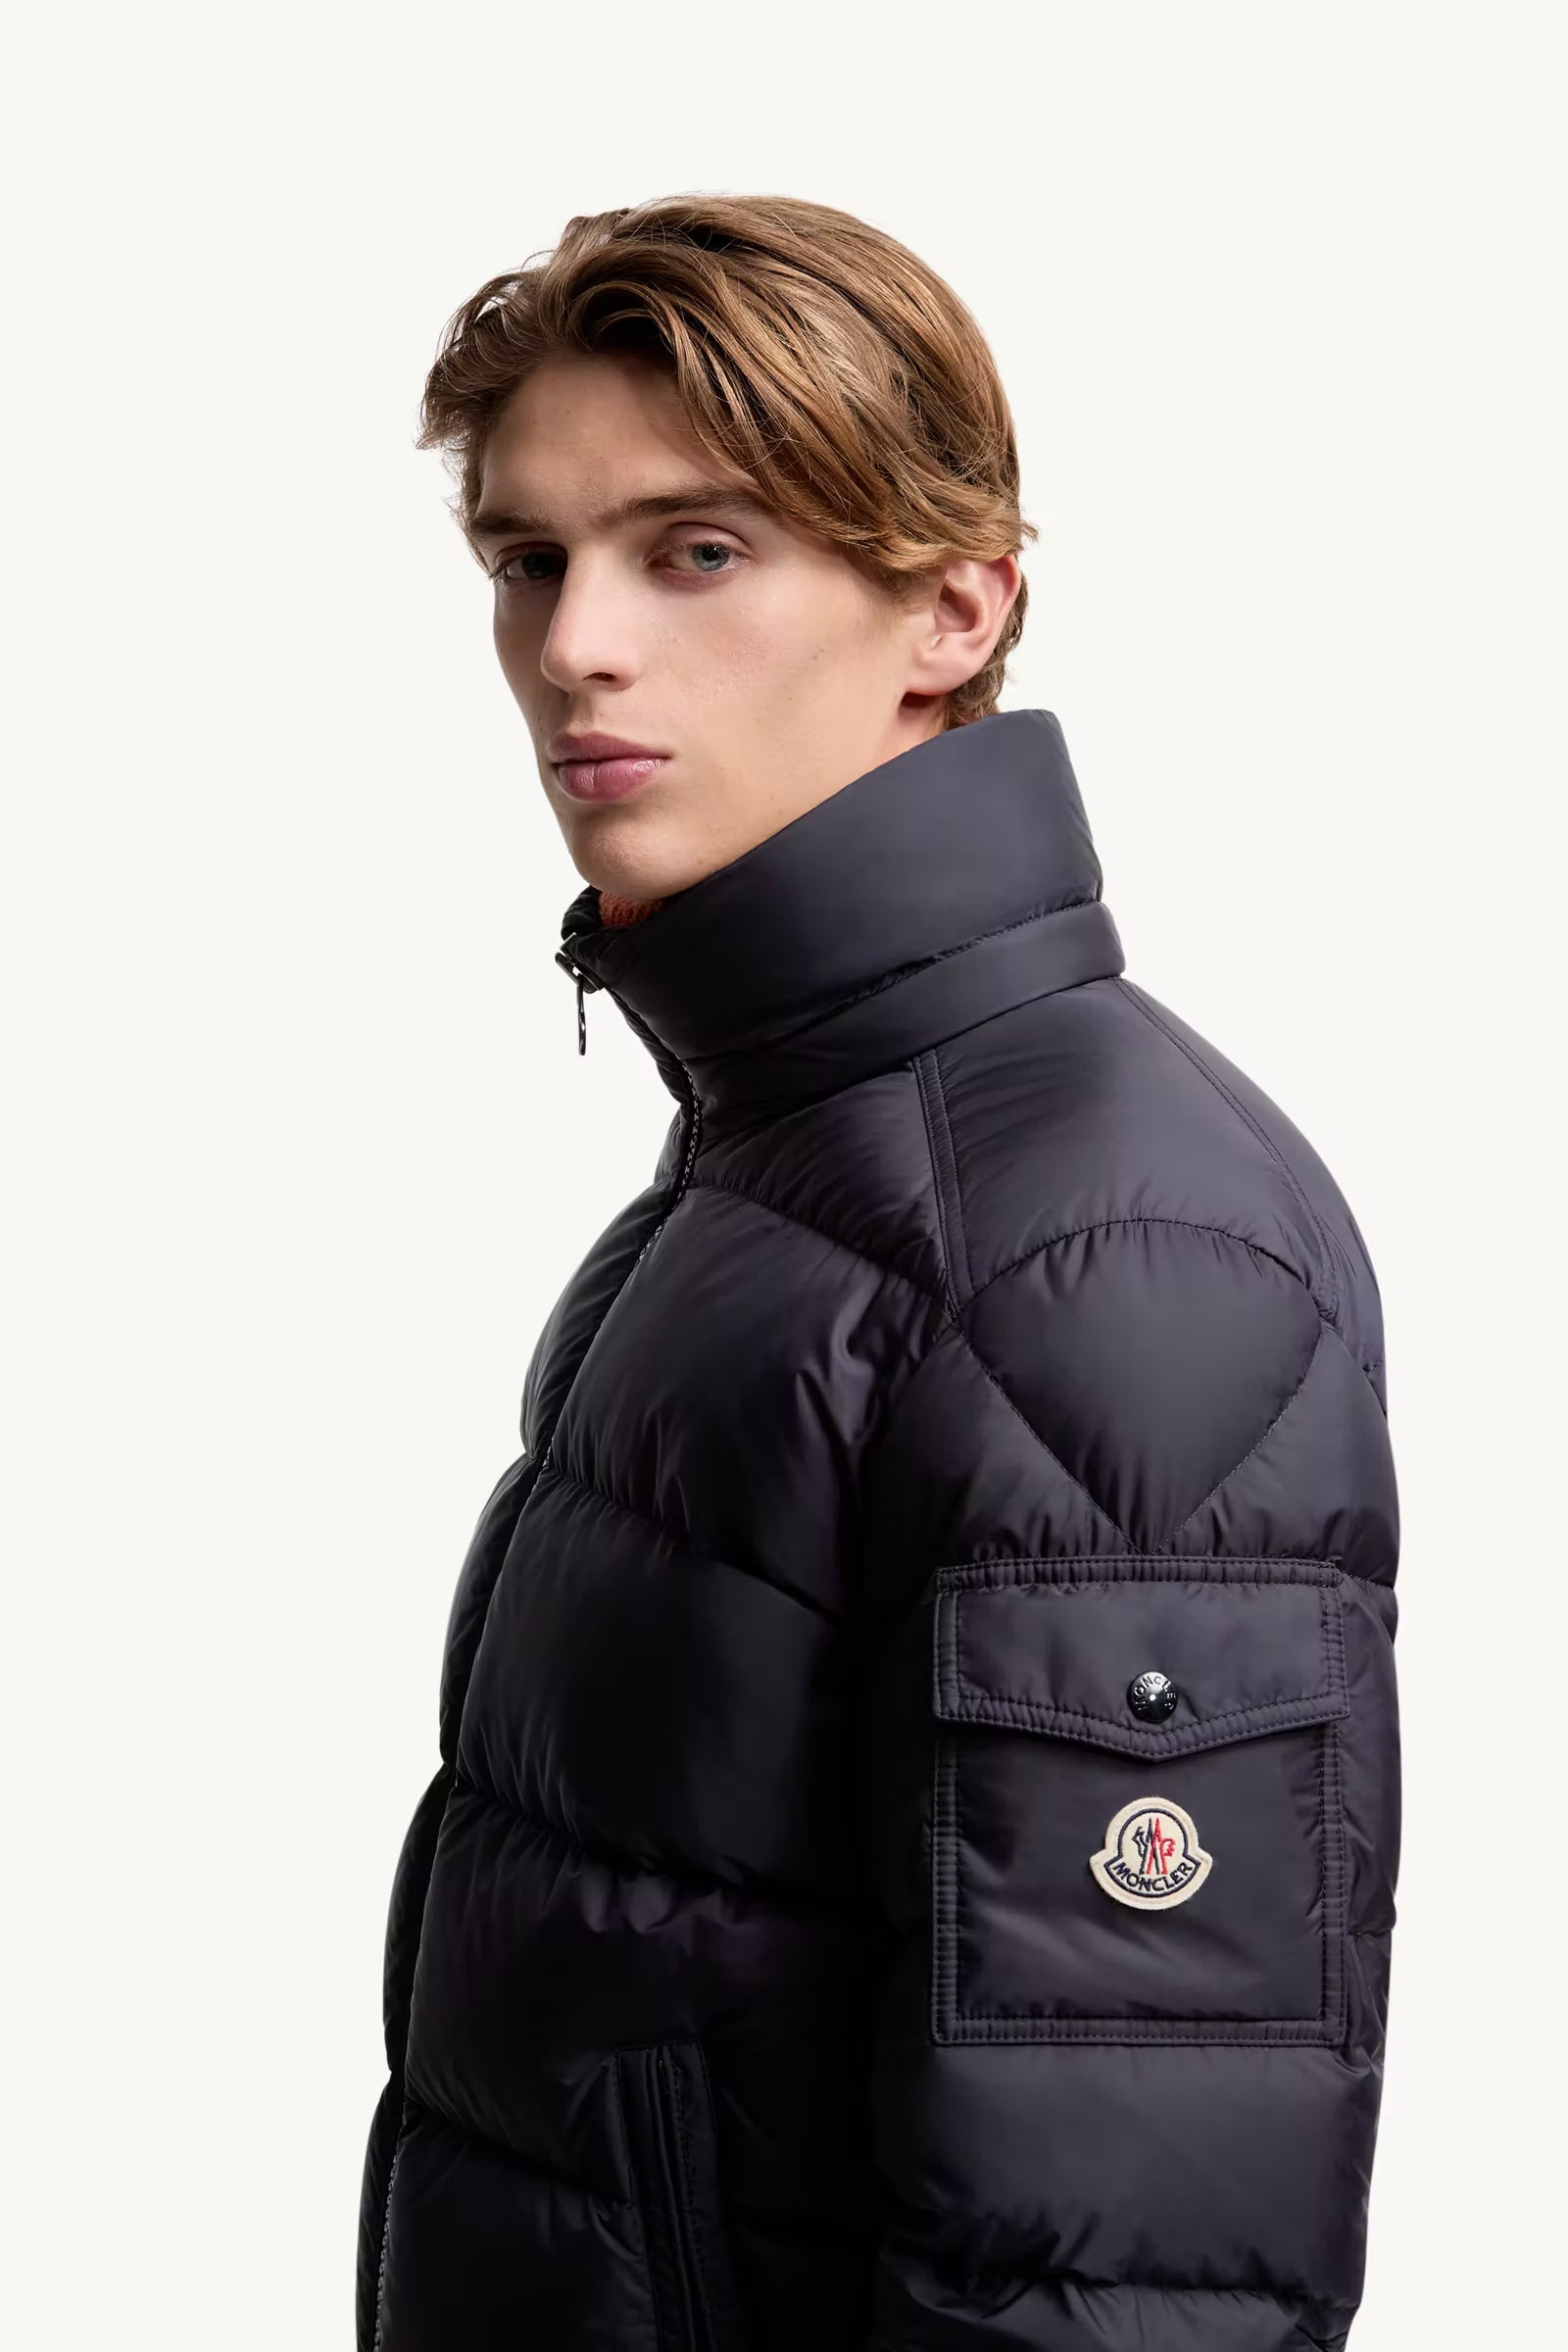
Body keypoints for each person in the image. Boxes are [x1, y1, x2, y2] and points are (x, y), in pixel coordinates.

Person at [358, 193, 1401, 2352]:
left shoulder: (1106, 1255)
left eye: (693, 551)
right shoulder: (804, 1159)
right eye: (528, 559)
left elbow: (1123, 2277)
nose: (575, 648)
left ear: (952, 603)